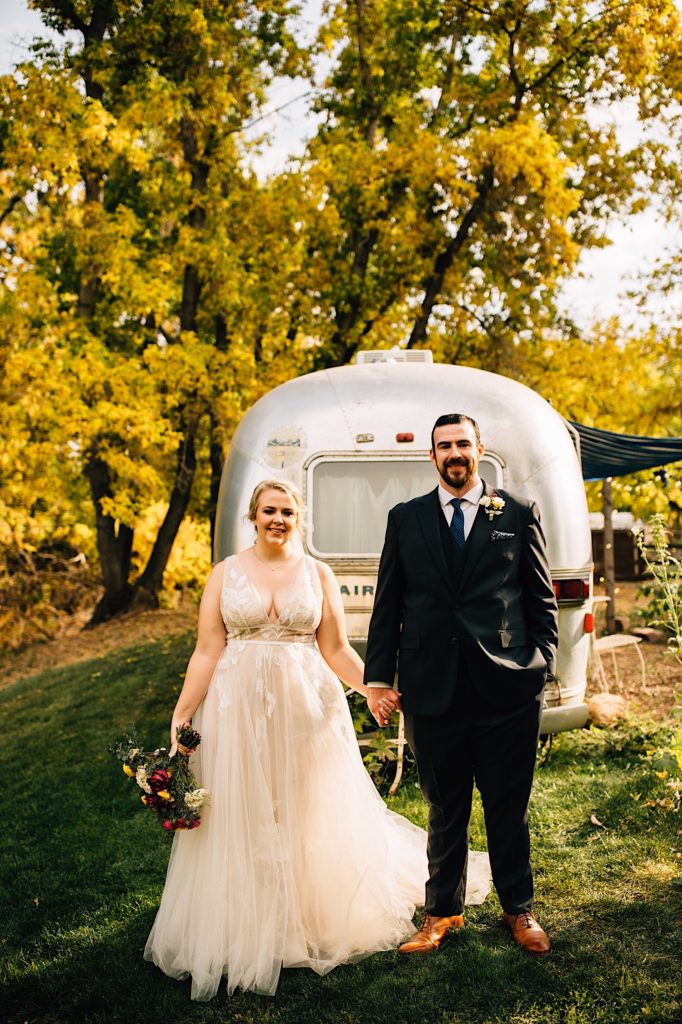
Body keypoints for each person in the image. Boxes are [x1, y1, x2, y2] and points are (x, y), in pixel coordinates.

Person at [144, 479, 491, 999]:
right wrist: (183, 712)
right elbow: (206, 650)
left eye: (287, 511)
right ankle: (249, 918)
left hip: (308, 706)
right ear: (253, 517)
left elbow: (334, 648)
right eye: (268, 511)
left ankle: (307, 915)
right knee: (246, 809)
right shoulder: (225, 574)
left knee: (304, 806)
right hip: (237, 709)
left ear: (298, 517)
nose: (277, 519)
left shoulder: (318, 573)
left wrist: (373, 689)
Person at [364, 414, 558, 957]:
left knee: (507, 805)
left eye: (463, 444)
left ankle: (519, 910)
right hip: (432, 690)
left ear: (480, 450)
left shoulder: (516, 513)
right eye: (445, 445)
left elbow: (540, 596)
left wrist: (542, 662)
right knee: (444, 807)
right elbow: (388, 604)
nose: (455, 453)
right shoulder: (406, 519)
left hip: (507, 688)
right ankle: (441, 913)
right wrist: (379, 679)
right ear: (432, 456)